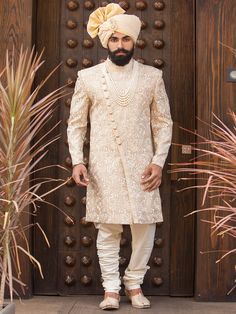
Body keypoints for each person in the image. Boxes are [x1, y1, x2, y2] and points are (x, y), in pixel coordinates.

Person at [67, 3, 173, 310]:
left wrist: (158, 161)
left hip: (143, 165)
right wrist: (78, 160)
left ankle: (134, 283)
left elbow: (163, 123)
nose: (120, 45)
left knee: (145, 227)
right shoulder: (87, 77)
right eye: (114, 39)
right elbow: (76, 124)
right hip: (104, 166)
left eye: (125, 39)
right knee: (109, 228)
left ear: (135, 40)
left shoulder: (153, 77)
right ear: (106, 42)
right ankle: (111, 289)